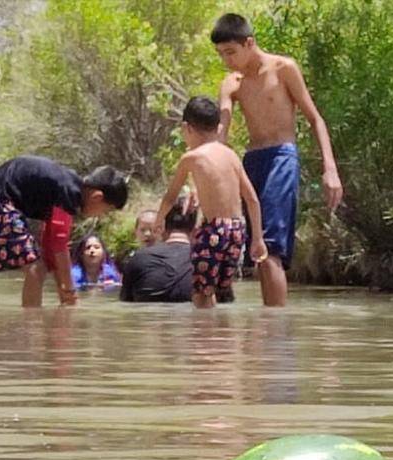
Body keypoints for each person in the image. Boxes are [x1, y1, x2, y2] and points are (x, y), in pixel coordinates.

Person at [211, 10, 342, 308]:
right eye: (221, 54)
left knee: (270, 248)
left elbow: (315, 119)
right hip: (251, 161)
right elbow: (222, 130)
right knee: (255, 249)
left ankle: (275, 334)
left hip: (281, 157)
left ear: (249, 43)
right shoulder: (232, 82)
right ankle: (267, 331)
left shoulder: (284, 68)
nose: (227, 60)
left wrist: (330, 169)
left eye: (231, 52)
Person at [154, 95, 268, 310]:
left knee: (201, 292)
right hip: (237, 229)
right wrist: (258, 239)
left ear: (186, 128)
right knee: (218, 290)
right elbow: (252, 199)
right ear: (217, 127)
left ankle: (205, 339)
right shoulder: (231, 155)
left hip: (213, 230)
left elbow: (170, 196)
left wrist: (159, 220)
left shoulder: (191, 158)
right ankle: (222, 337)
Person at [0, 155, 128, 308]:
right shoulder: (68, 194)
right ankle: (30, 325)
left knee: (41, 265)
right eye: (106, 211)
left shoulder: (69, 189)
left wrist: (64, 291)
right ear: (97, 197)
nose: (102, 215)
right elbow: (59, 247)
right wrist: (69, 292)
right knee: (36, 268)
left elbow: (49, 245)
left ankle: (32, 319)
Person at [121, 198, 195, 303]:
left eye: (151, 230)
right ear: (196, 230)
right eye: (143, 230)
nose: (147, 234)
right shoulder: (204, 258)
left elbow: (125, 301)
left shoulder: (138, 258)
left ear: (162, 227)